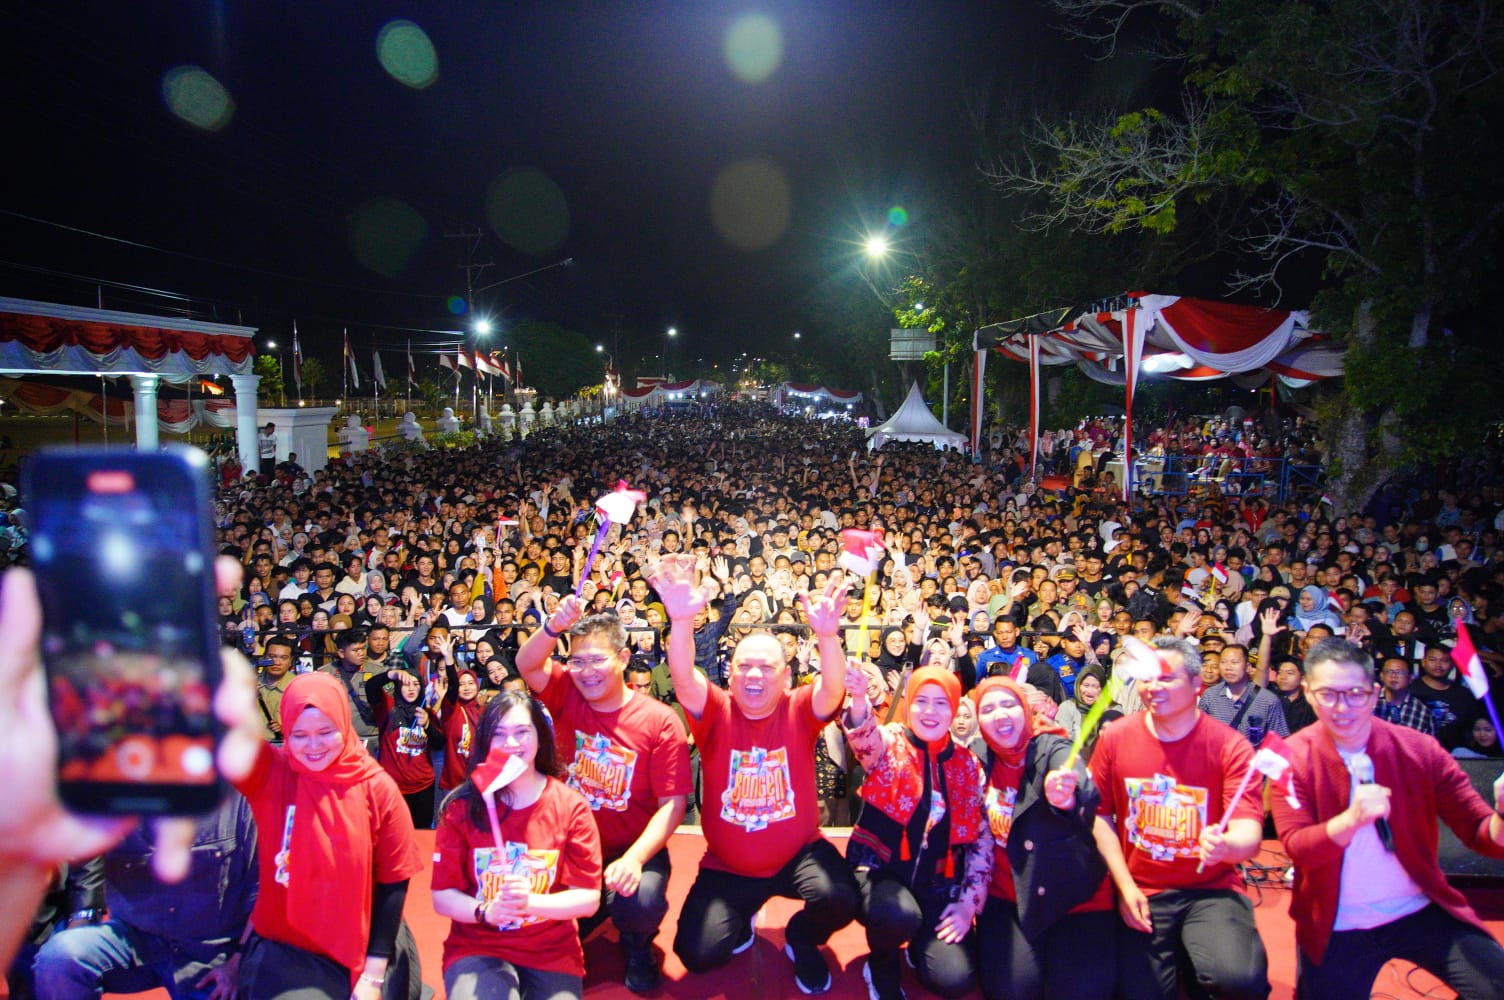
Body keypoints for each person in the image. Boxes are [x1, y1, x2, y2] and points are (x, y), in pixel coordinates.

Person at [650, 553, 859, 994]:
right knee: (696, 954)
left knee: (843, 897)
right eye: (745, 665)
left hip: (797, 855)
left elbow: (833, 688)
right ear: (729, 675)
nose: (755, 674)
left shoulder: (798, 708)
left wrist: (827, 636)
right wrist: (683, 622)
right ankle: (740, 919)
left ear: (786, 677)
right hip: (728, 868)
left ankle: (802, 939)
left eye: (767, 667)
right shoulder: (716, 710)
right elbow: (684, 676)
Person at [1270, 638, 1504, 999]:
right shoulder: (1293, 757)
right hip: (1338, 921)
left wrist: (1501, 815)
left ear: (1375, 692)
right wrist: (1351, 820)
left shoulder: (1418, 750)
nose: (1342, 707)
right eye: (1328, 694)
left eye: (1355, 694)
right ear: (1308, 693)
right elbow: (1298, 849)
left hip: (1419, 908)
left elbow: (1479, 832)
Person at [513, 599, 692, 994]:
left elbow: (672, 806)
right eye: (576, 661)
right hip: (569, 848)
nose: (585, 672)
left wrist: (634, 858)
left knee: (639, 901)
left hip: (631, 847)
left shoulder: (660, 721)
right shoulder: (566, 692)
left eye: (596, 660)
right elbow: (527, 665)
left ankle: (637, 946)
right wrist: (551, 628)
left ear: (624, 657)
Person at [1088, 636, 1270, 1000]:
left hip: (1211, 889)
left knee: (1237, 979)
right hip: (1142, 889)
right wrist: (1124, 886)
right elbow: (1099, 817)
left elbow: (1250, 833)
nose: (1154, 687)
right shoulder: (1116, 737)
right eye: (1146, 678)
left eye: (1167, 678)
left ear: (1197, 683)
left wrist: (1226, 846)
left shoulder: (1228, 745)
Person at [233, 672, 424, 999]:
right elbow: (218, 739)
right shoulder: (273, 770)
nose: (313, 746)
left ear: (345, 725)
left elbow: (395, 884)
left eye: (326, 732)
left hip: (363, 940)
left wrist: (373, 975)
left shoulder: (377, 788)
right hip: (287, 943)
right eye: (299, 735)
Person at [430, 691, 603, 1000]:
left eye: (522, 732)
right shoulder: (461, 808)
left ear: (540, 736)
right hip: (477, 945)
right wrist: (487, 911)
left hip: (551, 951)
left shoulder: (570, 805)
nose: (511, 743)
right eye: (499, 734)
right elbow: (442, 897)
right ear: (485, 741)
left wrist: (530, 904)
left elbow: (589, 898)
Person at [840, 664, 991, 999]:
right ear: (908, 703)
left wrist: (968, 903)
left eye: (941, 703)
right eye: (921, 700)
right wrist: (860, 697)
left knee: (955, 979)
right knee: (897, 914)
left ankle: (919, 944)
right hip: (882, 876)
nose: (930, 711)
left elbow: (981, 844)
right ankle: (881, 965)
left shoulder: (969, 766)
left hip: (938, 885)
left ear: (954, 709)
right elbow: (864, 737)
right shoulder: (890, 741)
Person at [30, 794, 258, 1000]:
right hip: (137, 940)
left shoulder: (238, 800)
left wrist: (237, 964)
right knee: (60, 956)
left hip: (210, 955)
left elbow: (261, 893)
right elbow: (82, 863)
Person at [971, 676, 1114, 1000]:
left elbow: (1075, 776)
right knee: (1011, 991)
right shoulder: (978, 755)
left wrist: (1067, 794)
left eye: (1009, 705)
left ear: (1025, 709)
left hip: (1074, 897)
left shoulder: (1051, 746)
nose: (1000, 715)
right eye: (989, 708)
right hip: (1010, 898)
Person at [365, 667, 440, 829]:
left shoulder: (426, 712)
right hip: (394, 787)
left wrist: (427, 724)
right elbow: (370, 687)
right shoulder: (387, 707)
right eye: (406, 684)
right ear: (398, 687)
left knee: (421, 833)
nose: (411, 688)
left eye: (415, 684)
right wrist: (392, 674)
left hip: (424, 786)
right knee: (394, 831)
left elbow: (439, 743)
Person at [1197, 643, 1290, 744]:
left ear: (1247, 667)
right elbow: (1199, 734)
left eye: (1234, 662)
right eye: (1223, 662)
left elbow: (1279, 740)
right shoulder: (1210, 696)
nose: (1228, 667)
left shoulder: (1268, 700)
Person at [1374, 656, 1436, 736]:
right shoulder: (1369, 703)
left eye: (1400, 672)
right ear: (1381, 676)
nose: (1394, 676)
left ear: (1411, 678)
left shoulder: (1423, 713)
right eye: (1389, 671)